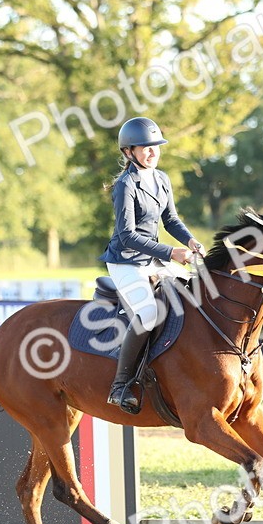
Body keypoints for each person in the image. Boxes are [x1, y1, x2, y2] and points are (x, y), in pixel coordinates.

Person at [99, 117, 204, 413]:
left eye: (155, 146)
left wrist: (191, 241)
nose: (152, 152)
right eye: (145, 147)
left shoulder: (162, 179)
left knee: (194, 293)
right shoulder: (125, 185)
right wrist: (173, 252)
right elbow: (128, 235)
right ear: (128, 152)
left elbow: (170, 219)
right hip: (126, 261)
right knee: (147, 313)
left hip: (154, 258)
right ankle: (119, 387)